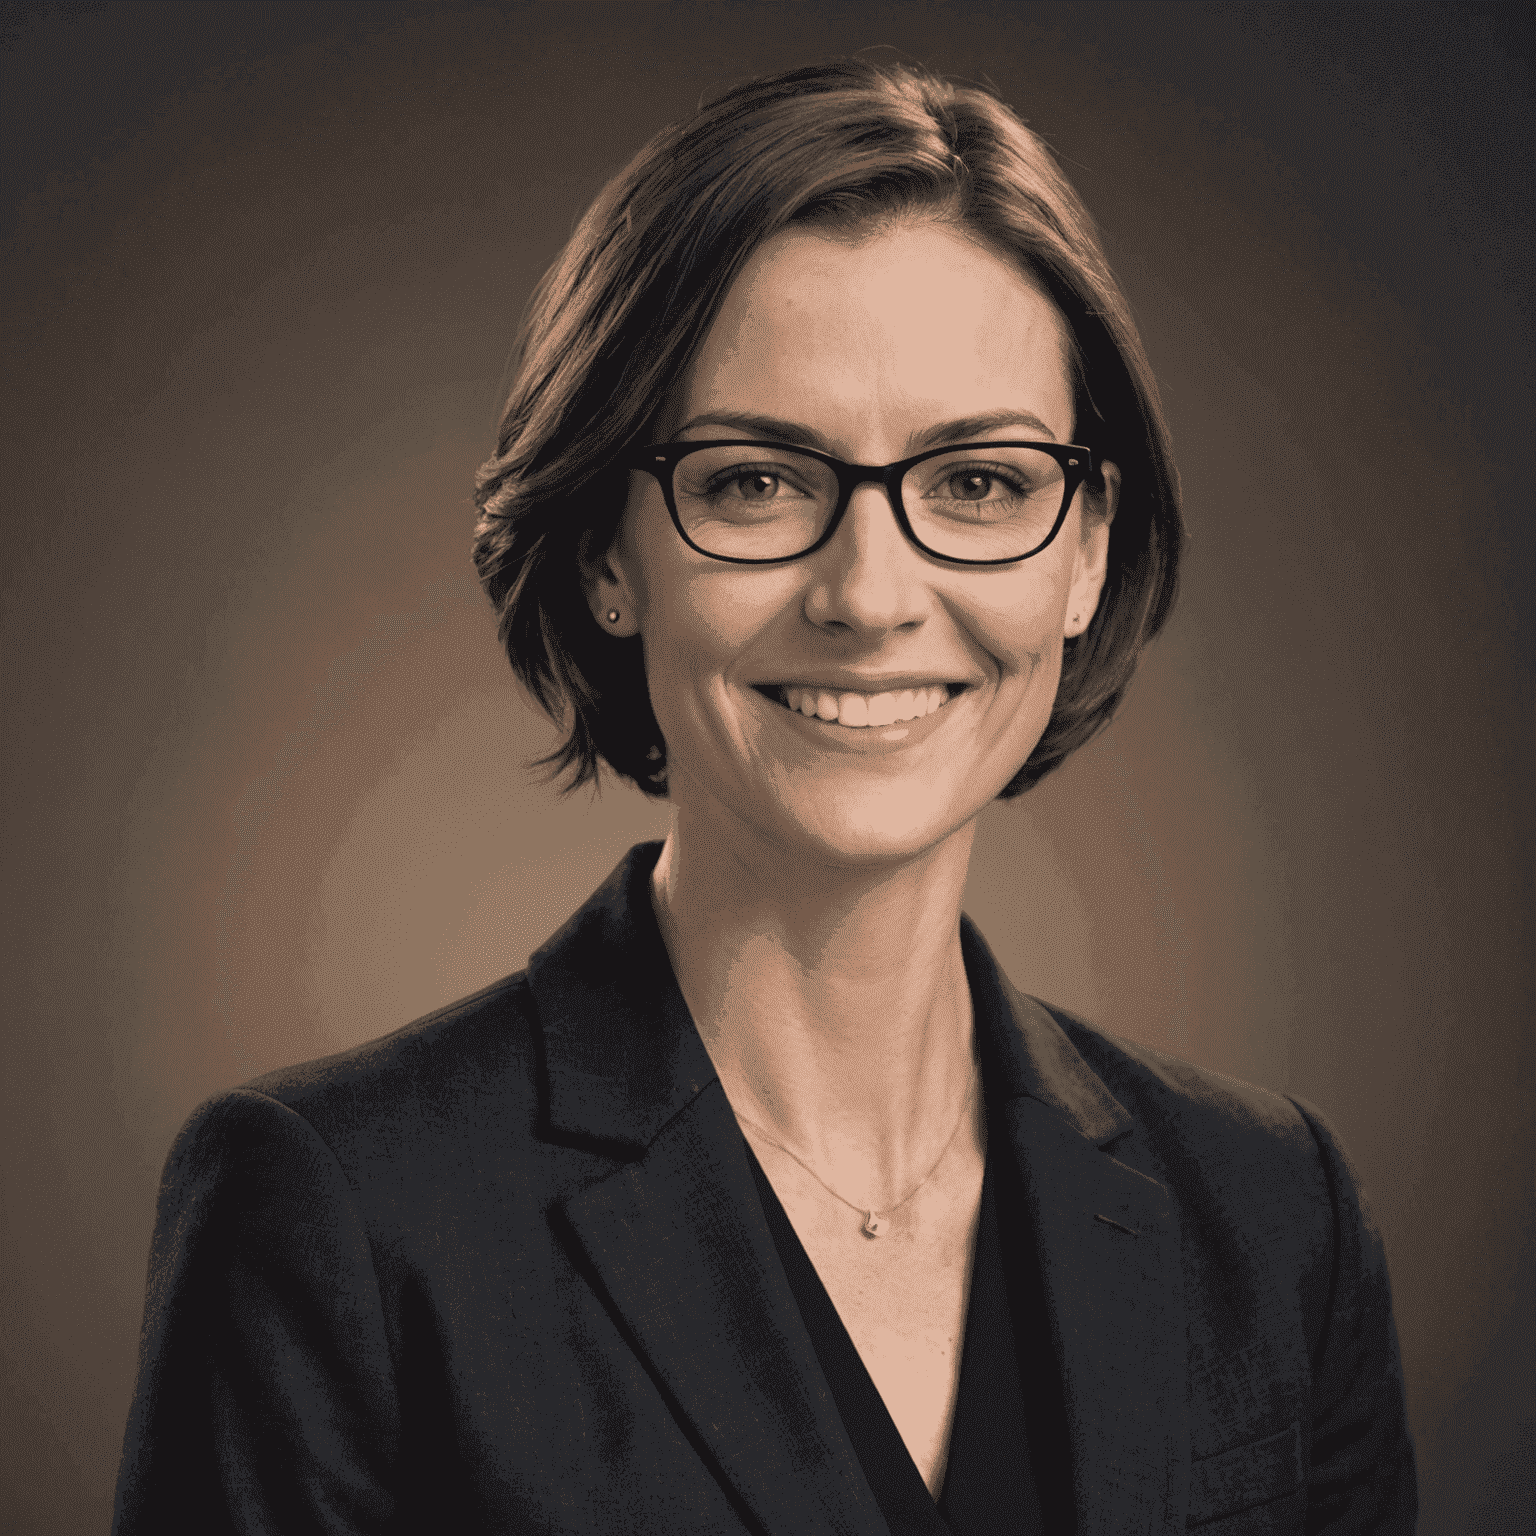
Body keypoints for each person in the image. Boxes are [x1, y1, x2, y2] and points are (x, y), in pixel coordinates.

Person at [113, 58, 1416, 1534]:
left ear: (1086, 554)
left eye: (979, 483)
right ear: (609, 551)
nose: (870, 594)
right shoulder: (335, 1218)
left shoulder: (1271, 1214)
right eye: (755, 482)